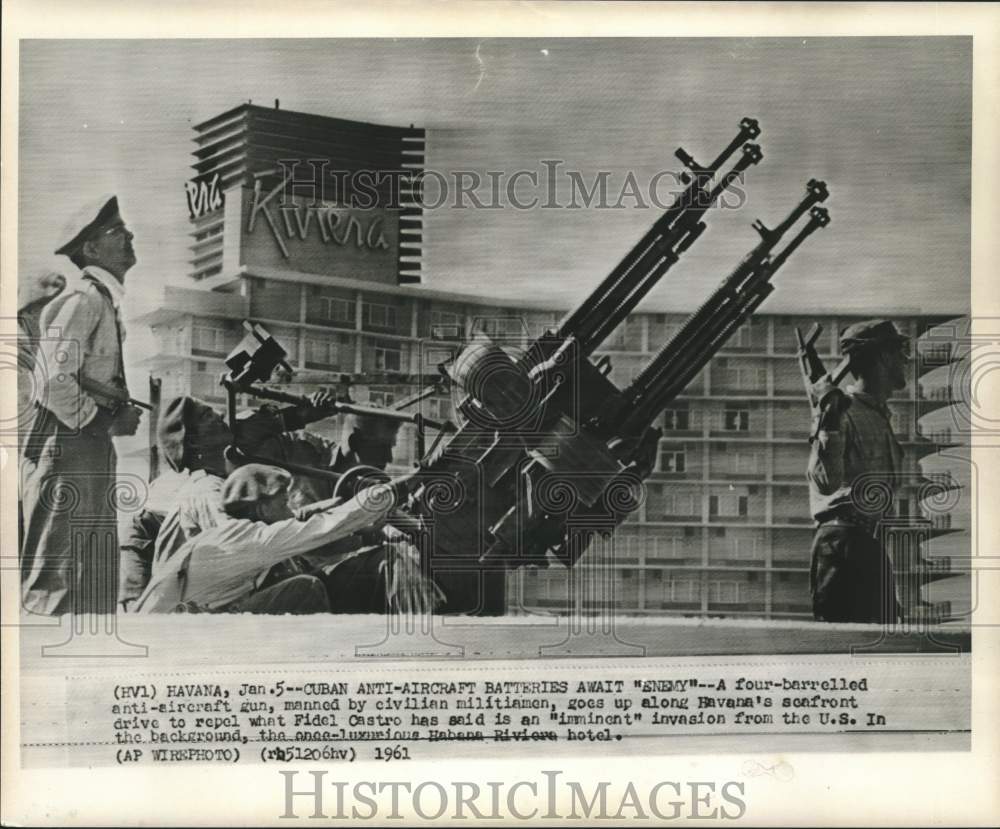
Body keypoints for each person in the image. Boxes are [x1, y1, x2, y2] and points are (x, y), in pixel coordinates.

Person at [20, 195, 142, 615]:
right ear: (90, 249)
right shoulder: (84, 301)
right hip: (71, 441)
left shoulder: (104, 302)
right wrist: (99, 420)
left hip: (85, 443)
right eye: (117, 232)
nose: (129, 237)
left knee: (91, 576)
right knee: (57, 577)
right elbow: (51, 381)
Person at [132, 464, 411, 613]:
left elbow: (303, 522)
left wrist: (360, 534)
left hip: (187, 627)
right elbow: (323, 527)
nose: (290, 508)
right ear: (263, 508)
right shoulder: (245, 540)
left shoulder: (241, 533)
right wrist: (404, 485)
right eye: (284, 501)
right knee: (306, 589)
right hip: (178, 637)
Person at [806, 319, 909, 624]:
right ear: (881, 357)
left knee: (882, 639)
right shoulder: (842, 411)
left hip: (866, 541)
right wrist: (829, 424)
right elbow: (826, 482)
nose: (905, 360)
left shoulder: (878, 417)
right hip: (842, 542)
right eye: (898, 352)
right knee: (844, 644)